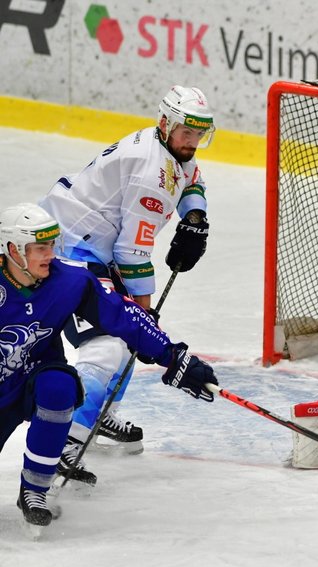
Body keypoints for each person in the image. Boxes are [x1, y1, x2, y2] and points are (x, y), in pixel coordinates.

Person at [0, 203, 217, 535]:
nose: (50, 255)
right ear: (12, 250)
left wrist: (172, 356)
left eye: (51, 245)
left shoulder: (70, 280)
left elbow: (123, 316)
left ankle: (34, 490)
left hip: (36, 373)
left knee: (59, 388)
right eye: (39, 248)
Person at [39, 85, 215, 475]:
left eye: (200, 134)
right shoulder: (149, 173)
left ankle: (102, 412)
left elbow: (192, 179)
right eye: (188, 132)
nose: (193, 142)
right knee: (109, 345)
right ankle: (66, 442)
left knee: (128, 333)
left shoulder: (171, 149)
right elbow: (132, 254)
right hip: (68, 249)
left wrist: (194, 217)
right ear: (166, 123)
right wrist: (143, 316)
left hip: (95, 245)